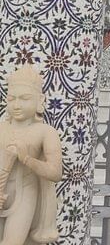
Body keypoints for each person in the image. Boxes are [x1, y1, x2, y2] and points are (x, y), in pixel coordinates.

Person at [0, 64, 63, 244]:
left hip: (26, 193)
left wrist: (27, 159)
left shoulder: (45, 132)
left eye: (25, 98)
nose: (17, 105)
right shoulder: (1, 128)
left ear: (39, 100)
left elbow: (55, 173)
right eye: (11, 99)